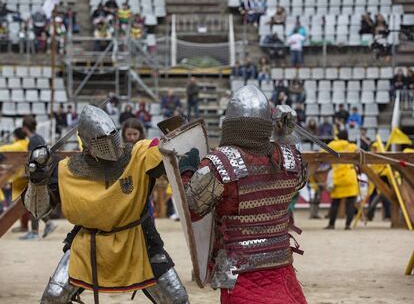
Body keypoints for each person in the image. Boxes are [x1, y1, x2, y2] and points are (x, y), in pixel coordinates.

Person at [23, 105, 189, 304]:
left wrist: (177, 139)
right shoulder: (66, 170)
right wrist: (37, 180)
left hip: (138, 239)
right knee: (54, 296)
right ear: (86, 143)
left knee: (177, 298)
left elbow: (162, 150)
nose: (110, 144)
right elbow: (38, 210)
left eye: (113, 136)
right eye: (102, 141)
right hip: (87, 242)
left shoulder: (138, 153)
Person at [179, 85, 308, 304]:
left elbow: (191, 209)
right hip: (280, 265)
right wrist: (285, 135)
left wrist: (186, 173)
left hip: (239, 270)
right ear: (267, 125)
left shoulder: (220, 163)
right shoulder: (288, 157)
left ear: (229, 125)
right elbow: (300, 180)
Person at [20, 115, 57, 240]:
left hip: (38, 176)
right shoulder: (39, 138)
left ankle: (35, 232)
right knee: (35, 201)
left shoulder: (33, 141)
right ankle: (47, 223)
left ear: (25, 128)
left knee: (33, 201)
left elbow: (32, 161)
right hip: (45, 174)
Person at [325, 130, 359, 230]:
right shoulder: (352, 146)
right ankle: (348, 225)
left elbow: (321, 153)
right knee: (350, 203)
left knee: (335, 203)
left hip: (338, 176)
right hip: (350, 176)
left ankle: (331, 224)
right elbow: (359, 152)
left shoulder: (333, 144)